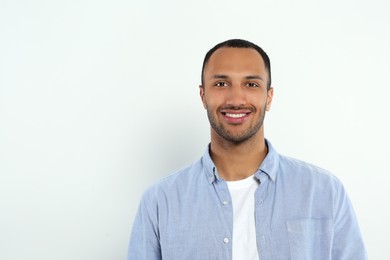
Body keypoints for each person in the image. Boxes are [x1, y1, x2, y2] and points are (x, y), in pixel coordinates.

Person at [127, 39, 367, 260]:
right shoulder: (160, 201)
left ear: (269, 97)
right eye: (221, 83)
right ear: (203, 95)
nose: (236, 98)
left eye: (251, 84)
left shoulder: (324, 191)